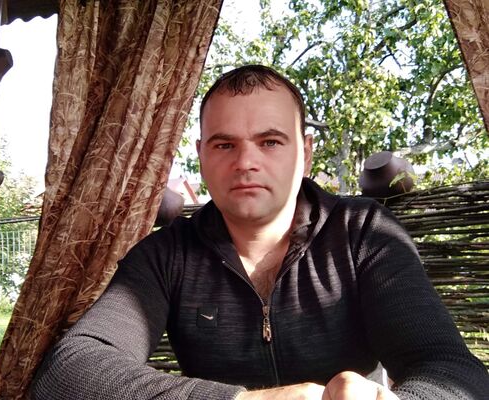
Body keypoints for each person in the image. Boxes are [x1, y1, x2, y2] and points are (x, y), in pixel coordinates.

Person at [31, 65, 489, 400]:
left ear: (305, 153)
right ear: (202, 155)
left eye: (270, 142)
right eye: (224, 144)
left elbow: (452, 369)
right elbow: (68, 372)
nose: (246, 162)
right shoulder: (166, 256)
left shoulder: (363, 233)